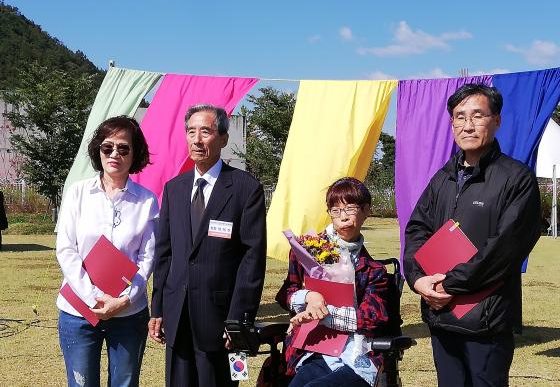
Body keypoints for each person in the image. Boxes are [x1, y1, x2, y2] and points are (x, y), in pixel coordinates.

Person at [403, 84, 541, 386]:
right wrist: (418, 279)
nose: (467, 125)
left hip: (486, 319)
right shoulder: (443, 177)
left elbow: (505, 248)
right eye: (459, 117)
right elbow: (417, 229)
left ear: (496, 121)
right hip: (441, 313)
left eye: (477, 116)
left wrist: (451, 283)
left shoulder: (516, 178)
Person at [149, 104, 267, 387]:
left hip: (220, 318)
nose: (197, 140)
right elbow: (164, 254)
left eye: (206, 131)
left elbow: (252, 258)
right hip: (178, 315)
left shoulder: (244, 188)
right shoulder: (174, 188)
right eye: (191, 131)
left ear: (223, 139)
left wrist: (239, 318)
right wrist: (158, 308)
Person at [56, 116, 159, 387]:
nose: (115, 154)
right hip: (78, 311)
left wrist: (124, 299)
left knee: (125, 383)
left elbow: (147, 257)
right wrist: (93, 297)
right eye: (107, 147)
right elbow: (66, 249)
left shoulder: (147, 201)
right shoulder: (78, 193)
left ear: (135, 154)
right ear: (98, 150)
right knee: (80, 382)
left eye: (123, 148)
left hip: (128, 313)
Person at [276, 177, 390, 387]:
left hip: (355, 354)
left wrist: (324, 314)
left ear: (366, 211)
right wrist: (309, 297)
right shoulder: (307, 251)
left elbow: (372, 317)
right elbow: (286, 292)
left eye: (350, 209)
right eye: (335, 210)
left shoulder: (374, 271)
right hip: (315, 349)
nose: (343, 218)